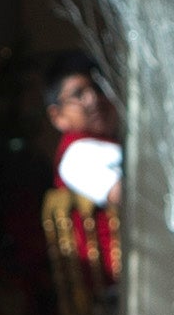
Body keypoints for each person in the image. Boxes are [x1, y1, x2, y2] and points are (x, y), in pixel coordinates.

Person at [43, 53, 125, 283]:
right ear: (57, 115)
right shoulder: (76, 154)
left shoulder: (112, 143)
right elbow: (125, 195)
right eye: (78, 94)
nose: (93, 99)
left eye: (98, 88)